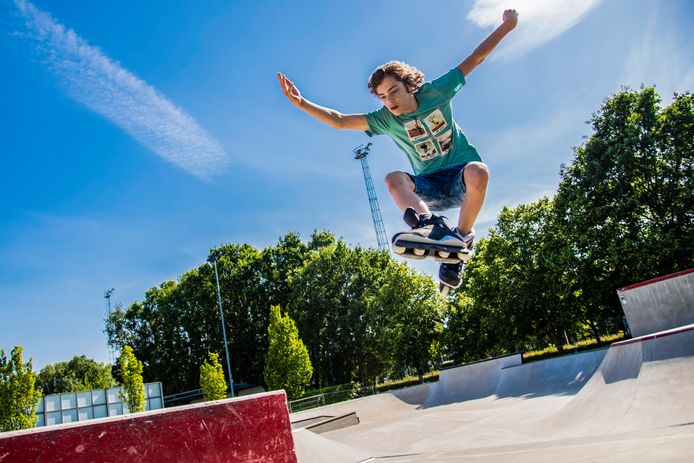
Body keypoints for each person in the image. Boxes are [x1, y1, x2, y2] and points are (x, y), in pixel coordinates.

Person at [278, 9, 519, 290]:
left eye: (393, 91)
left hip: (460, 177)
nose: (389, 100)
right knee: (393, 178)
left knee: (479, 171)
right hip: (428, 187)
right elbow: (340, 121)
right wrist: (302, 103)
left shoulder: (436, 92)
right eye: (383, 96)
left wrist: (508, 26)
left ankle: (460, 241)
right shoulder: (385, 119)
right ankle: (428, 224)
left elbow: (475, 58)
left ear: (409, 86)